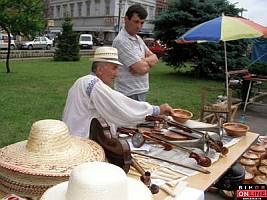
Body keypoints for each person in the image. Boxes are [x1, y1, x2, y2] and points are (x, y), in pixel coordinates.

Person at [62, 46, 173, 138]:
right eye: (114, 68)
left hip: (71, 137)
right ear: (100, 70)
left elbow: (107, 112)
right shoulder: (94, 84)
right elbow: (121, 107)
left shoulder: (83, 81)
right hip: (82, 142)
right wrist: (156, 110)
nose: (116, 74)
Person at [112, 4, 158, 101]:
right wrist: (143, 65)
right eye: (136, 22)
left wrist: (142, 62)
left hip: (140, 89)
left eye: (142, 23)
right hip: (128, 92)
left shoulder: (138, 38)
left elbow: (155, 58)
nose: (139, 26)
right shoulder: (121, 41)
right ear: (126, 19)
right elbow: (141, 69)